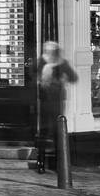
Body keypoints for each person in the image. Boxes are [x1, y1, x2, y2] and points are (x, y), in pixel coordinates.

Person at [33, 41, 77, 173]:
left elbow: (73, 77)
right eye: (49, 51)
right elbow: (31, 76)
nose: (51, 54)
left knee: (58, 132)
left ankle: (59, 163)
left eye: (53, 51)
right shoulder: (40, 62)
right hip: (45, 102)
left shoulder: (62, 63)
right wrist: (40, 80)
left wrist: (64, 79)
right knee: (45, 132)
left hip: (57, 102)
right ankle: (41, 162)